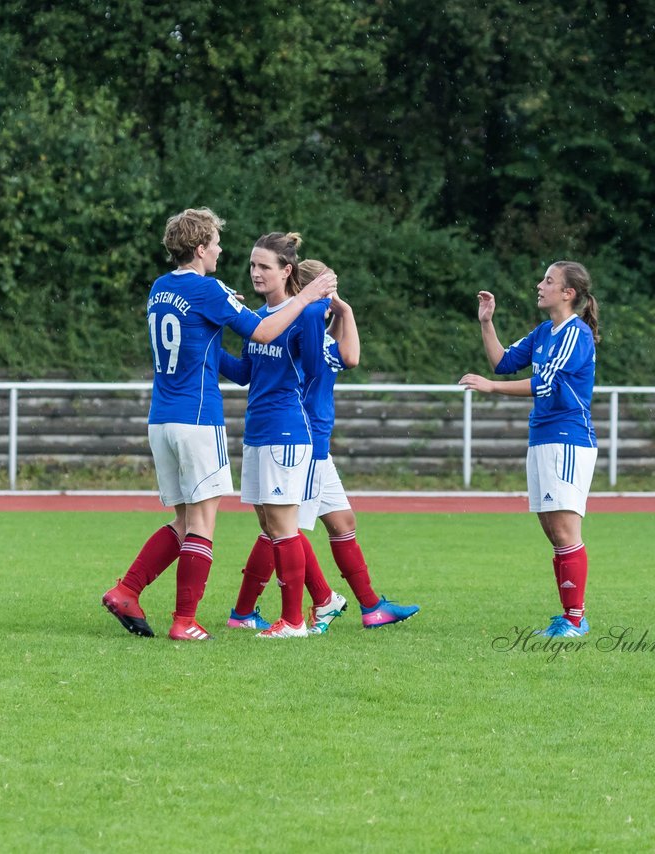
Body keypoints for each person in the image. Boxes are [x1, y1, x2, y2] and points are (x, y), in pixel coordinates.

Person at [101, 209, 336, 641]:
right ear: (199, 248)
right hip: (196, 418)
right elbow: (262, 332)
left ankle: (127, 590)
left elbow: (203, 345)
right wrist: (305, 298)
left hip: (161, 418)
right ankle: (184, 620)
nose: (220, 250)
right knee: (203, 524)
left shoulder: (159, 288)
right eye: (215, 243)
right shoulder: (208, 289)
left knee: (182, 521)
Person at [226, 258, 420, 634]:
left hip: (314, 440)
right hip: (305, 439)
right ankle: (305, 603)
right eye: (330, 288)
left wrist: (339, 311)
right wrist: (338, 309)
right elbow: (349, 357)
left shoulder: (305, 324)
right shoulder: (304, 325)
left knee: (336, 522)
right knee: (283, 528)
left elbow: (340, 352)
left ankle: (368, 605)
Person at [458, 261, 599, 639]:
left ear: (568, 293)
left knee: (566, 530)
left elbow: (545, 383)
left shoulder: (575, 334)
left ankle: (574, 620)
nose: (540, 285)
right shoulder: (543, 332)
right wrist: (487, 322)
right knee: (553, 531)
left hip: (568, 438)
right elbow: (503, 362)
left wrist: (490, 387)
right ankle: (570, 616)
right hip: (542, 437)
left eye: (548, 281)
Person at [215, 233, 336, 638]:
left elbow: (317, 371)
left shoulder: (303, 315)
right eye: (252, 265)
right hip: (258, 432)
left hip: (287, 431)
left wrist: (319, 316)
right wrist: (208, 349)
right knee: (271, 527)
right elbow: (246, 374)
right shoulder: (257, 316)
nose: (256, 273)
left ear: (287, 271)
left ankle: (294, 621)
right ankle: (320, 602)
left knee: (285, 528)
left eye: (265, 266)